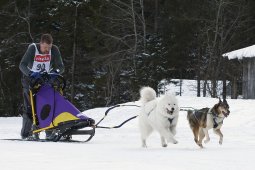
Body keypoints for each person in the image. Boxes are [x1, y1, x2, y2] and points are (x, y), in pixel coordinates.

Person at [19, 33, 64, 140]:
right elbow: (22, 65)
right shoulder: (32, 48)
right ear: (40, 44)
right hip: (30, 80)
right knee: (29, 107)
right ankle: (26, 133)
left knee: (47, 106)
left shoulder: (54, 50)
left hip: (45, 81)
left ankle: (49, 132)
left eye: (49, 47)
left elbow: (61, 67)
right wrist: (30, 74)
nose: (47, 50)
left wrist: (54, 73)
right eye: (45, 48)